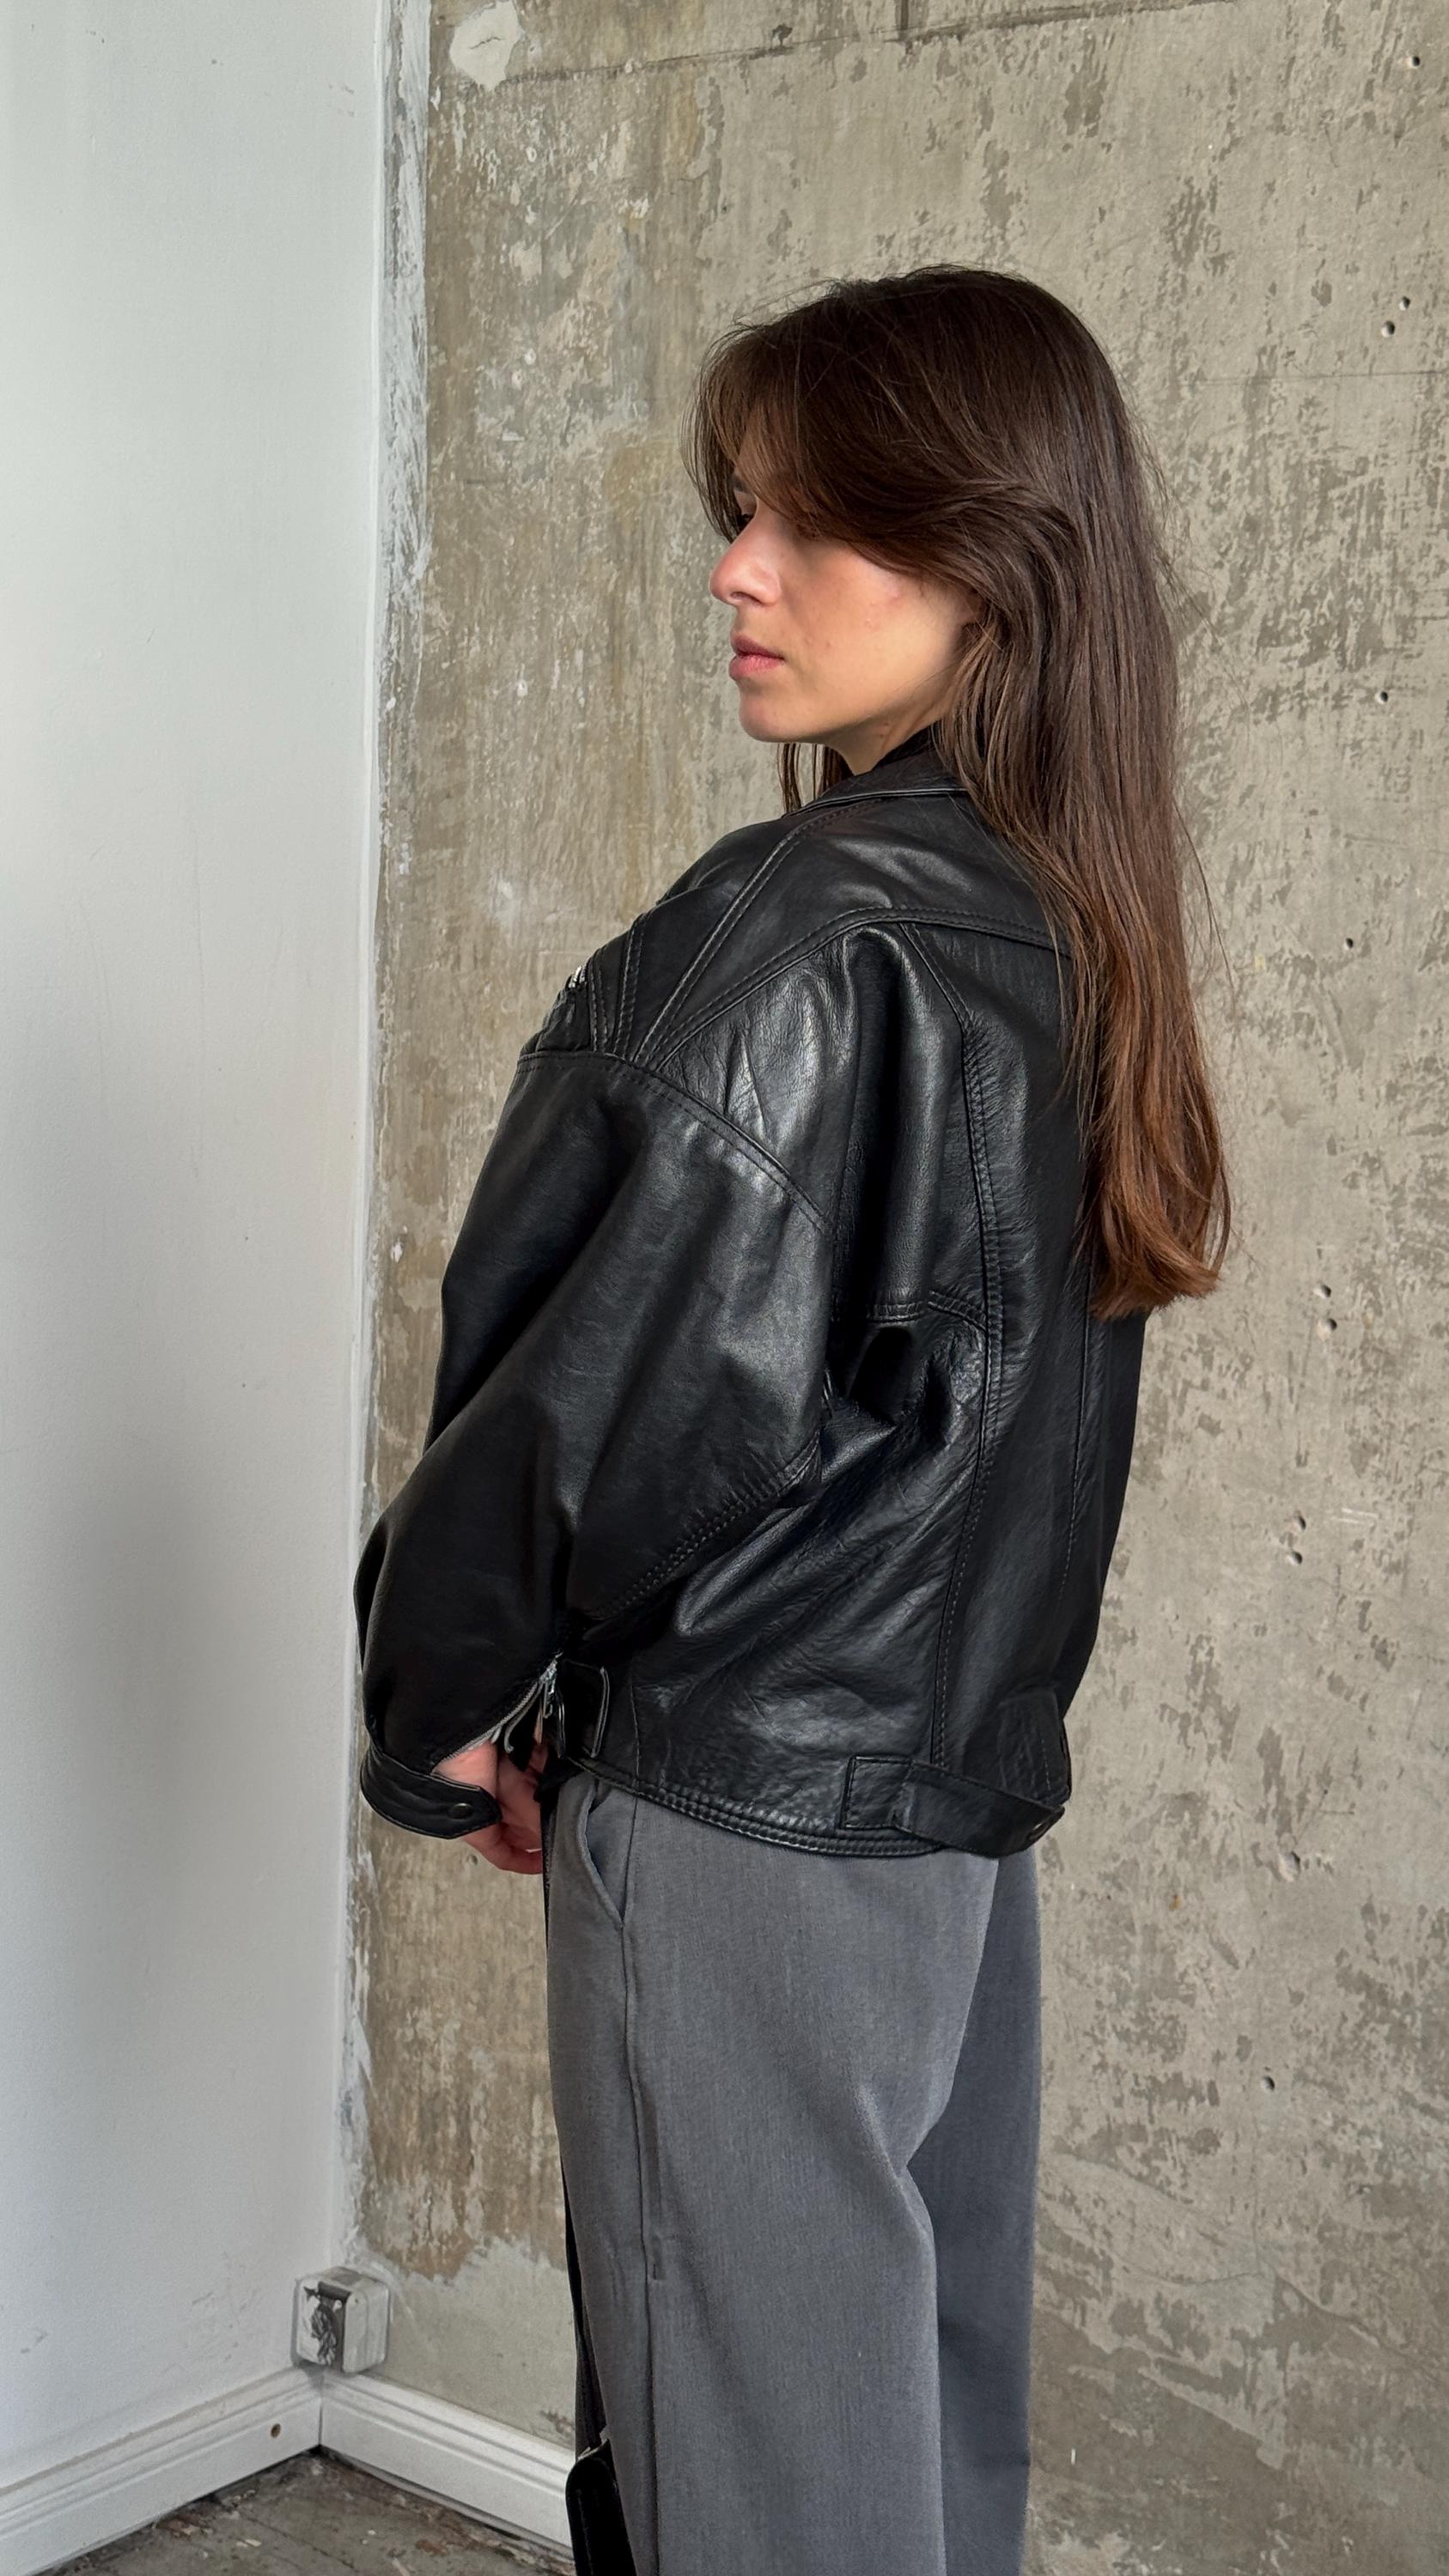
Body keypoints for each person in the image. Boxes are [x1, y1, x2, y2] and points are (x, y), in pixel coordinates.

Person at [353, 264, 1232, 2576]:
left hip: (752, 1831)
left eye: (817, 520)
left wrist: (438, 1704)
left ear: (995, 555)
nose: (739, 571)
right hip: (947, 1834)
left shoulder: (815, 934)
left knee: (755, 2483)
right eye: (739, 512)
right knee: (909, 2454)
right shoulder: (1073, 928)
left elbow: (596, 1413)